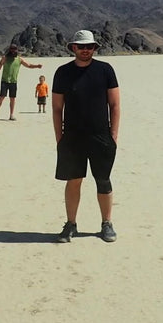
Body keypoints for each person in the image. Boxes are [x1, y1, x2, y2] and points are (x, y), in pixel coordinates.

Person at [52, 30, 120, 243]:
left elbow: (115, 105)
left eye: (89, 46)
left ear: (94, 48)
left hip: (101, 137)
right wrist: (59, 138)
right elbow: (56, 108)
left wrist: (113, 137)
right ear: (73, 47)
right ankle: (70, 224)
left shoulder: (105, 70)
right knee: (74, 181)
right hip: (72, 138)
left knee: (103, 180)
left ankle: (106, 223)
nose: (85, 50)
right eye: (81, 46)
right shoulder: (62, 72)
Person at [0, 43, 42, 120]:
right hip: (5, 80)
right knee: (2, 97)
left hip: (13, 81)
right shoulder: (5, 58)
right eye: (11, 49)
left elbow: (28, 65)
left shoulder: (19, 59)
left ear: (16, 50)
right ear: (9, 50)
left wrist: (37, 66)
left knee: (12, 98)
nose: (13, 51)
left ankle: (11, 115)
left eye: (14, 49)